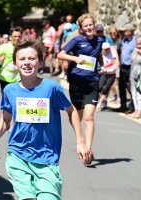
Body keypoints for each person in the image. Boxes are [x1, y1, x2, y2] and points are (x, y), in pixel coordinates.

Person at [0, 37, 92, 200]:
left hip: (46, 157)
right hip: (18, 156)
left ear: (40, 63)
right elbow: (6, 118)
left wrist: (80, 141)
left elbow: (71, 111)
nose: (27, 62)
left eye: (32, 58)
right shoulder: (10, 90)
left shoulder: (51, 88)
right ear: (15, 64)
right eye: (22, 59)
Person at [57, 13, 104, 163]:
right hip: (77, 81)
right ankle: (81, 140)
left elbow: (98, 55)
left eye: (91, 25)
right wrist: (75, 58)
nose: (89, 28)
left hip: (92, 82)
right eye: (86, 26)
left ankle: (87, 150)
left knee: (89, 116)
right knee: (78, 116)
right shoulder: (77, 40)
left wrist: (101, 66)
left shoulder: (100, 40)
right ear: (81, 29)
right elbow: (60, 55)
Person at [0, 26, 22, 92]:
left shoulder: (23, 48)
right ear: (10, 37)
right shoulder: (5, 47)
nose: (17, 38)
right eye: (15, 36)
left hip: (18, 78)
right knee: (6, 100)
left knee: (17, 100)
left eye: (19, 36)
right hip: (5, 78)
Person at [118, 23, 136, 113]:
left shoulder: (135, 40)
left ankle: (132, 106)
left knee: (131, 87)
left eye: (124, 31)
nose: (123, 33)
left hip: (131, 66)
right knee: (121, 86)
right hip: (123, 66)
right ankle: (123, 105)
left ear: (129, 32)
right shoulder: (124, 40)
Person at [96, 42, 120, 112]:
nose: (106, 50)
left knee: (106, 89)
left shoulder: (112, 54)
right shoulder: (102, 56)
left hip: (111, 74)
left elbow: (116, 62)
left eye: (107, 49)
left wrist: (115, 67)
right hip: (104, 74)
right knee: (99, 87)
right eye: (105, 49)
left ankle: (99, 104)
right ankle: (97, 101)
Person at [128, 35, 141, 119]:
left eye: (140, 41)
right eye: (137, 41)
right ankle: (135, 110)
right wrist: (130, 75)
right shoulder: (134, 51)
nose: (138, 42)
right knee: (133, 92)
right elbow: (132, 63)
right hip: (133, 72)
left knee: (139, 92)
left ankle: (139, 111)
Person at [109, 26, 122, 102]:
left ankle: (119, 96)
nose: (113, 34)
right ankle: (115, 95)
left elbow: (122, 53)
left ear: (117, 33)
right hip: (110, 64)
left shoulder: (119, 42)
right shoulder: (109, 41)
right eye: (111, 33)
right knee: (109, 82)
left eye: (114, 33)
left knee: (117, 81)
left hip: (117, 64)